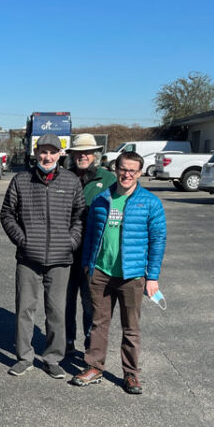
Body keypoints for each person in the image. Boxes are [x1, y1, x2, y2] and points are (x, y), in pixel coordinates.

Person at [71, 151, 166, 394]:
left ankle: (131, 374)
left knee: (131, 327)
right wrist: (87, 263)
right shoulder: (103, 198)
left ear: (140, 173)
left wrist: (152, 276)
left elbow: (158, 240)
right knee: (98, 323)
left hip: (132, 275)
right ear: (116, 169)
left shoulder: (150, 202)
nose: (127, 174)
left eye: (133, 170)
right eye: (123, 169)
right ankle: (94, 367)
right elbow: (90, 233)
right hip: (101, 272)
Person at [0, 133, 85, 379]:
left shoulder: (71, 182)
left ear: (60, 154)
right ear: (35, 153)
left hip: (60, 260)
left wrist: (70, 242)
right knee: (25, 309)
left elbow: (79, 216)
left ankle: (52, 358)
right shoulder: (21, 180)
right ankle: (24, 356)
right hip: (28, 258)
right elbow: (7, 214)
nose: (47, 157)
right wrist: (23, 240)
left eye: (52, 152)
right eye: (43, 152)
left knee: (56, 311)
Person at [64, 133, 116, 354]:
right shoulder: (64, 176)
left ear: (95, 154)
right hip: (66, 251)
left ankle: (90, 347)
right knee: (64, 302)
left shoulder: (108, 179)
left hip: (93, 252)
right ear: (72, 154)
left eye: (87, 152)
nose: (82, 156)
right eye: (78, 152)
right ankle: (65, 343)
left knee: (90, 303)